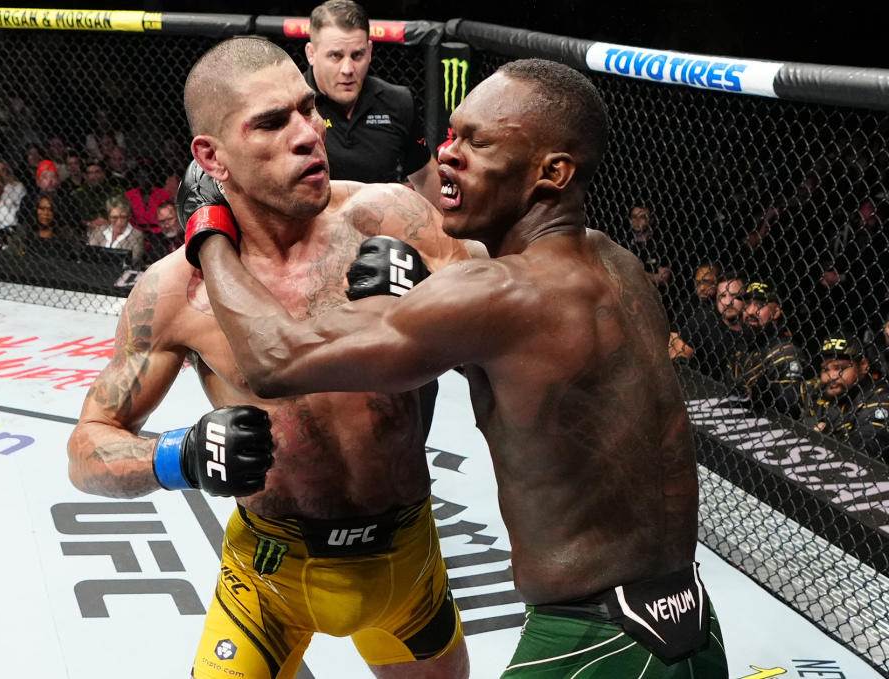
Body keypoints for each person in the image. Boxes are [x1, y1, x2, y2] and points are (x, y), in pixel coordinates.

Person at [193, 57, 728, 677]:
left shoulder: (496, 294)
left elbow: (275, 360)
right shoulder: (618, 264)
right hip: (689, 623)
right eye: (451, 135)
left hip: (593, 646)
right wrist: (422, 293)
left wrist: (208, 228)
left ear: (551, 173)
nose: (448, 155)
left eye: (478, 142)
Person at [68, 37, 471, 679]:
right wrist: (177, 455)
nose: (309, 134)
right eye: (272, 122)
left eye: (307, 110)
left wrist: (436, 289)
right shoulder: (176, 290)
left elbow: (507, 286)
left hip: (407, 558)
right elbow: (87, 449)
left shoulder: (383, 214)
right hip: (268, 578)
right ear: (212, 156)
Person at [304, 0, 442, 208]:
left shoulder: (397, 102)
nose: (348, 69)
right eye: (336, 56)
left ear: (369, 51)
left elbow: (423, 174)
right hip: (310, 231)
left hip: (381, 231)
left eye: (357, 55)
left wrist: (450, 235)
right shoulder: (291, 105)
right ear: (311, 54)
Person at [803, 331, 889, 463]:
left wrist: (823, 441)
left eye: (839, 368)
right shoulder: (816, 389)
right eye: (825, 369)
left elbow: (867, 448)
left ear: (863, 365)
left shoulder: (880, 398)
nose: (831, 376)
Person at [728, 279, 806, 419]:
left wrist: (757, 393)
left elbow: (789, 410)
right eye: (747, 304)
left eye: (760, 305)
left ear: (776, 312)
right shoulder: (745, 343)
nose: (750, 311)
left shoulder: (785, 353)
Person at [87, 194, 145, 266]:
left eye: (123, 217)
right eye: (114, 218)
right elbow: (90, 254)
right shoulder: (100, 230)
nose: (119, 222)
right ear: (109, 217)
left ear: (129, 216)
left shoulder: (137, 235)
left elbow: (132, 259)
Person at [144, 200, 183, 265]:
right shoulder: (155, 240)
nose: (167, 225)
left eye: (170, 219)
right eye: (162, 221)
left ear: (178, 217)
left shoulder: (188, 237)